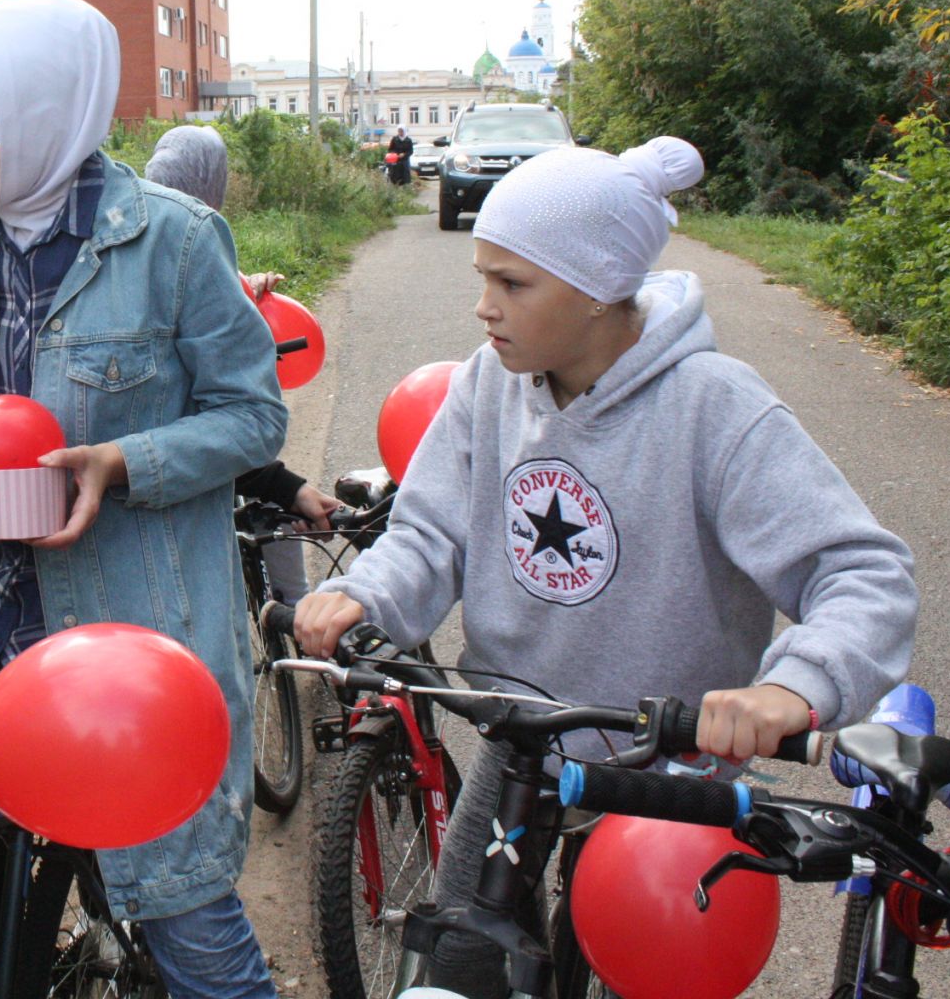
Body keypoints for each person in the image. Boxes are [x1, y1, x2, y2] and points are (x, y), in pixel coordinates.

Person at [292, 136, 918, 996]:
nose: (483, 307)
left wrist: (793, 689)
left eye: (512, 282)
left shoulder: (715, 406)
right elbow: (431, 533)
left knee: (645, 975)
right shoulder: (487, 384)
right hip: (523, 756)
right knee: (465, 963)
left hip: (670, 779)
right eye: (483, 277)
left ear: (595, 289)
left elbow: (862, 572)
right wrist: (363, 593)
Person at [0, 0, 290, 998]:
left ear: (36, 124)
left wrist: (117, 464)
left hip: (119, 613)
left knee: (178, 901)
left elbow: (254, 418)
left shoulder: (178, 244)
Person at [145, 123, 338, 602]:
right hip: (191, 441)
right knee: (276, 502)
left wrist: (248, 285)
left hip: (163, 445)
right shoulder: (195, 236)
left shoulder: (146, 228)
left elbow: (212, 292)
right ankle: (295, 604)